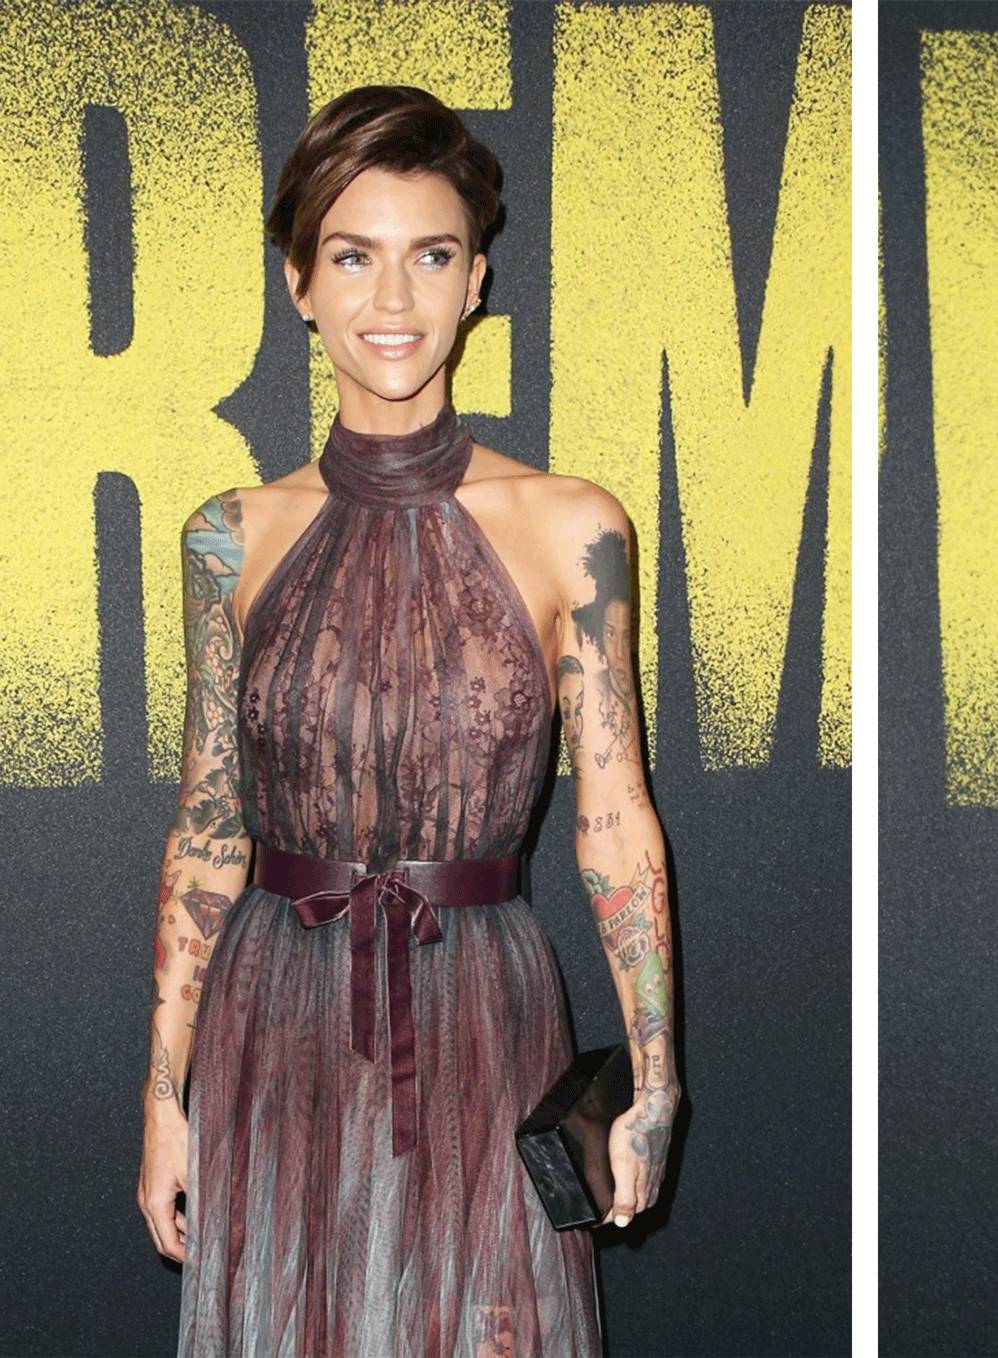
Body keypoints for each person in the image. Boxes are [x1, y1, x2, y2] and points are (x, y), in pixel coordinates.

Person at [136, 85, 678, 1357]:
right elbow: (208, 830)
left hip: (483, 1007)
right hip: (276, 1015)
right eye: (352, 256)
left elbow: (614, 819)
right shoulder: (227, 537)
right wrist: (165, 1094)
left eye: (430, 256)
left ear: (476, 280)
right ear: (299, 283)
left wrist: (657, 1077)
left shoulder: (574, 524)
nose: (392, 299)